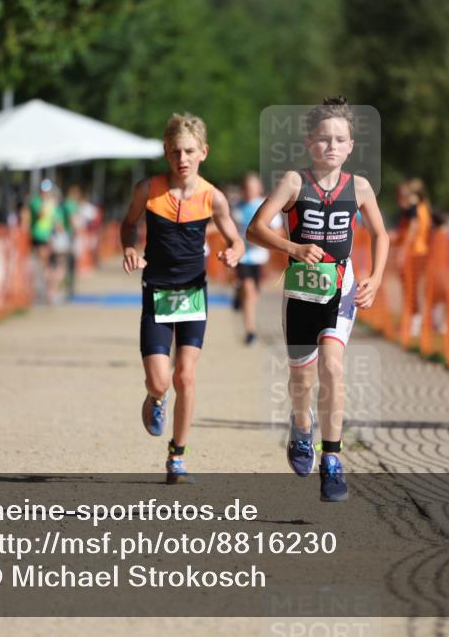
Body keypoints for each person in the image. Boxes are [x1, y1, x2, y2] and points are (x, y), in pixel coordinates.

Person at [247, 97, 390, 502]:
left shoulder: (359, 187)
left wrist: (376, 278)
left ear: (350, 146)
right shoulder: (294, 182)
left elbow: (381, 235)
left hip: (340, 290)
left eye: (339, 139)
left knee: (332, 365)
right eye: (323, 139)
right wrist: (291, 248)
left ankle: (332, 460)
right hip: (300, 294)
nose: (331, 145)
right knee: (301, 379)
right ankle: (300, 425)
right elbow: (255, 229)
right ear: (310, 143)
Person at [121, 113, 244, 483]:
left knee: (185, 376)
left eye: (190, 151)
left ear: (203, 152)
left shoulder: (213, 198)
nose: (183, 159)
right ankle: (154, 399)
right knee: (160, 381)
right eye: (176, 152)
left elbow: (235, 238)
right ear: (166, 152)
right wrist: (129, 246)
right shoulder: (148, 189)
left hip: (193, 293)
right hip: (157, 291)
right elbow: (128, 223)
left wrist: (235, 251)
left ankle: (178, 455)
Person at [233, 172, 282, 345]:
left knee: (254, 294)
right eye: (246, 188)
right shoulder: (237, 207)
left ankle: (239, 294)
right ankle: (250, 330)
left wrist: (262, 236)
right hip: (242, 256)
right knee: (249, 289)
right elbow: (230, 229)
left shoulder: (264, 205)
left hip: (260, 257)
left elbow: (277, 230)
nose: (249, 191)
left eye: (253, 188)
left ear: (259, 189)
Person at [395, 178, 433, 339]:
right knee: (411, 289)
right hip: (419, 252)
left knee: (411, 289)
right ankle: (412, 322)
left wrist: (403, 249)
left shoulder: (415, 210)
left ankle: (415, 323)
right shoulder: (423, 208)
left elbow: (413, 228)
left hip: (415, 253)